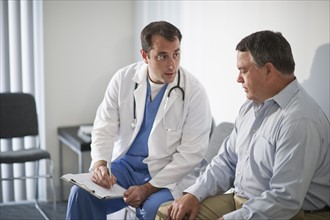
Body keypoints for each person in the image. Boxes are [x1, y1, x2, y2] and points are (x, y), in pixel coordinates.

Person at [157, 30, 330, 220]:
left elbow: (284, 199)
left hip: (290, 213)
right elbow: (226, 161)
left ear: (268, 70)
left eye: (244, 70)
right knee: (169, 214)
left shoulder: (299, 120)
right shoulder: (251, 106)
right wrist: (194, 193)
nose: (238, 79)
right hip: (242, 200)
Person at [66, 21, 212, 220]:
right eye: (163, 56)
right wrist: (100, 164)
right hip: (125, 168)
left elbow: (191, 154)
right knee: (81, 194)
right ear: (145, 55)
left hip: (169, 174)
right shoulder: (123, 79)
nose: (172, 64)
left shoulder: (194, 92)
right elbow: (104, 127)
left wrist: (148, 188)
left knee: (150, 209)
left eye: (176, 54)